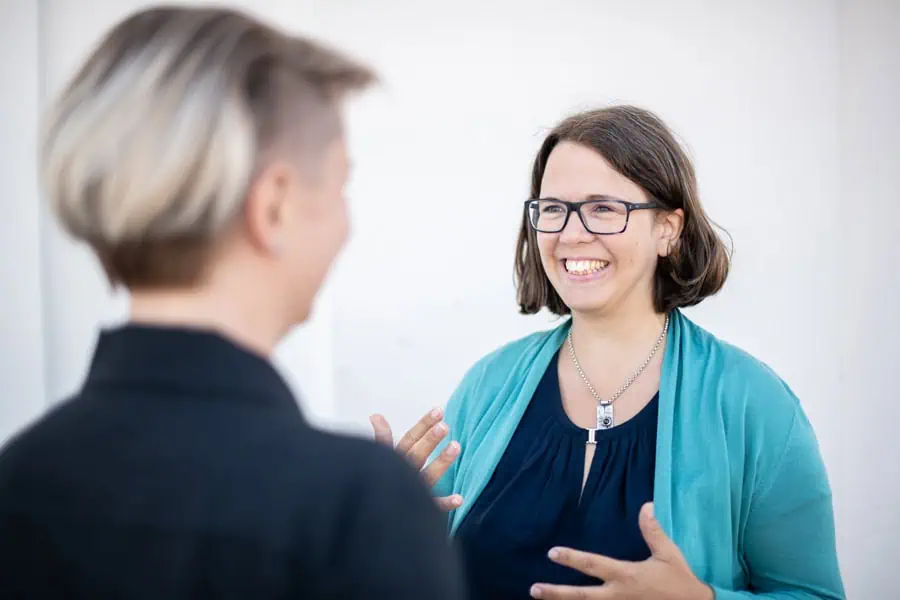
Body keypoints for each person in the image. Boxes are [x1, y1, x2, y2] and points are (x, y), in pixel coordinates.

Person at [0, 6, 464, 600]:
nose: (348, 225)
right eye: (340, 186)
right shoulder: (355, 507)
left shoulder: (19, 479)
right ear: (273, 206)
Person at [372, 106, 845, 599]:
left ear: (668, 229)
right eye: (553, 209)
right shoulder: (488, 386)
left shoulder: (752, 402)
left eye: (603, 208)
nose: (571, 234)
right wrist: (383, 534)